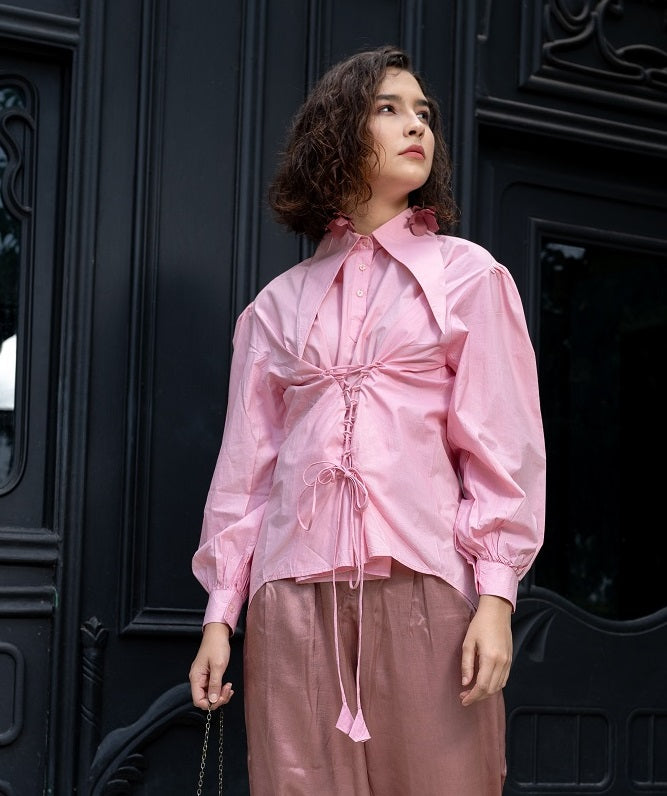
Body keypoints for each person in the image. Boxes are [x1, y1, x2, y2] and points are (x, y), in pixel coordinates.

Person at [189, 45, 546, 795]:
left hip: (425, 585)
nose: (417, 126)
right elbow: (244, 475)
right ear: (338, 132)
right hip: (292, 596)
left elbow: (501, 450)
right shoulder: (273, 309)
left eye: (424, 113)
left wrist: (494, 597)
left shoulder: (469, 278)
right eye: (389, 109)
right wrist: (221, 615)